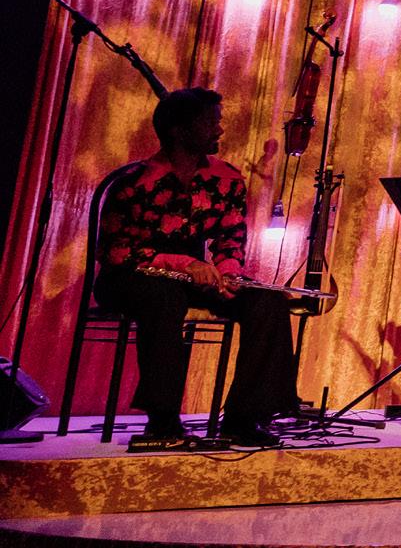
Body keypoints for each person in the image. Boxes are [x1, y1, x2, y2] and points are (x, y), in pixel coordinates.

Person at [96, 85, 300, 451]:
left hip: (189, 277)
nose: (219, 130)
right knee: (164, 298)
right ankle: (162, 422)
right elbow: (115, 252)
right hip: (130, 277)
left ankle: (243, 418)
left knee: (267, 301)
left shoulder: (226, 178)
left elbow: (230, 238)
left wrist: (228, 273)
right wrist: (186, 263)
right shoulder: (135, 182)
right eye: (210, 122)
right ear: (179, 130)